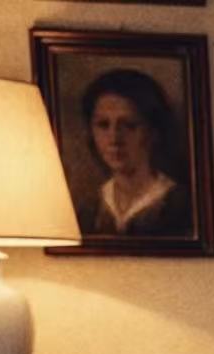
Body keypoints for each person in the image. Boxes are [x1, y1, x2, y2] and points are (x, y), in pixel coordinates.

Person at [75, 69, 191, 237]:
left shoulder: (179, 205)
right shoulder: (89, 209)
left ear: (153, 132)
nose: (114, 139)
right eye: (103, 125)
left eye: (129, 125)